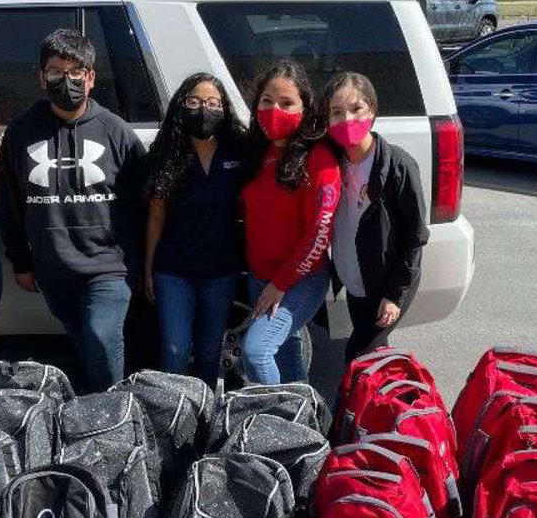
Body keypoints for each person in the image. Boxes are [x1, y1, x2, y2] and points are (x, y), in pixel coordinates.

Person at [0, 29, 146, 392]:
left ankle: (115, 414)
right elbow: (9, 203)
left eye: (75, 73)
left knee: (100, 338)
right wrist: (22, 261)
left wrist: (141, 263)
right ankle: (88, 416)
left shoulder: (116, 131)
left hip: (108, 266)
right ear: (41, 77)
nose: (66, 81)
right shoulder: (21, 132)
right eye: (55, 73)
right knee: (83, 342)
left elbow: (143, 202)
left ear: (91, 78)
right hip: (53, 268)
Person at [239, 59, 341, 385]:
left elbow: (319, 234)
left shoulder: (318, 159)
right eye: (267, 101)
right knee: (287, 359)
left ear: (304, 107)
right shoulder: (257, 152)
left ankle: (278, 424)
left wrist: (281, 282)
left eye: (286, 103)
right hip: (260, 276)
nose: (274, 110)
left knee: (256, 352)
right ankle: (304, 426)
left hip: (299, 279)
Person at [143, 73, 246, 385]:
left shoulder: (238, 152)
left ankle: (205, 418)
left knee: (208, 354)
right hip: (174, 271)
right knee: (175, 350)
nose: (204, 109)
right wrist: (148, 269)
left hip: (221, 271)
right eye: (195, 102)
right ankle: (172, 416)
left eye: (213, 103)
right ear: (180, 106)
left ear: (225, 108)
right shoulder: (167, 154)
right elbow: (156, 216)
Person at [322, 72, 429, 361]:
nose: (347, 119)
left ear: (371, 109)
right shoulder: (329, 162)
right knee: (373, 356)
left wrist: (395, 295)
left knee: (358, 357)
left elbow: (414, 236)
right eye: (336, 112)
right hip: (354, 282)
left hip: (384, 283)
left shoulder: (397, 165)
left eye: (356, 108)